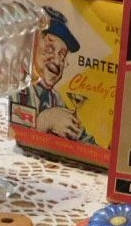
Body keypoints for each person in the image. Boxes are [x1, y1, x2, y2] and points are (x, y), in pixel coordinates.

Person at [12, 8, 94, 143]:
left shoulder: (56, 100)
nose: (57, 61)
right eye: (50, 49)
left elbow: (81, 137)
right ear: (30, 45)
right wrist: (44, 121)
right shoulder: (10, 87)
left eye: (62, 55)